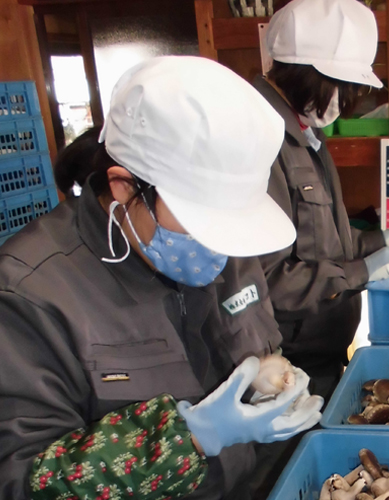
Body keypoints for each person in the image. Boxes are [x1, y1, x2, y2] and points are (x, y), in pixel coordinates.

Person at [0, 56, 323, 500]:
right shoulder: (31, 296)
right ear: (123, 187)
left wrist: (273, 388)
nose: (220, 246)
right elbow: (20, 482)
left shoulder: (223, 248)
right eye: (201, 220)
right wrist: (187, 437)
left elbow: (253, 347)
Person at [254, 0, 389, 397]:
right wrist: (361, 271)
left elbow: (319, 239)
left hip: (322, 352)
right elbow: (268, 282)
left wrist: (373, 242)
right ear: (306, 75)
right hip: (285, 366)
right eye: (341, 88)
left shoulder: (305, 133)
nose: (344, 104)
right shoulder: (261, 141)